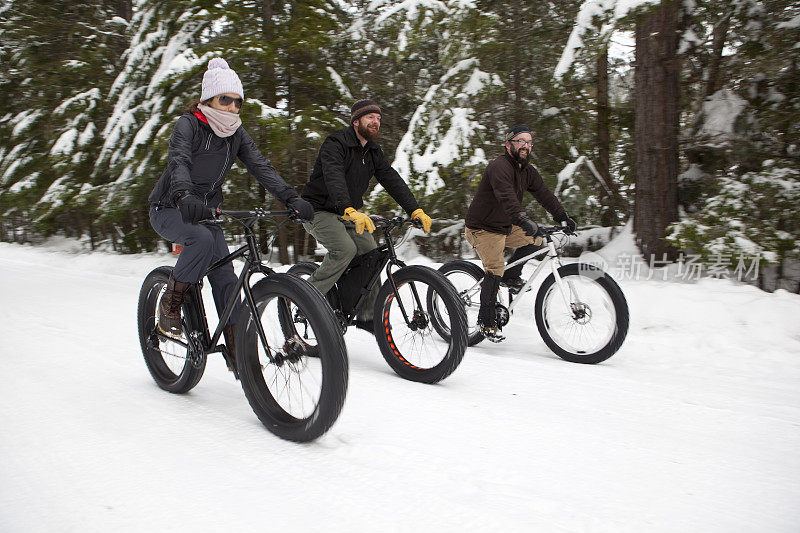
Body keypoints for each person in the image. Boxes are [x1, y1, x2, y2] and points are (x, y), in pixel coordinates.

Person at [147, 57, 314, 373]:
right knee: (199, 239)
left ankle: (241, 357)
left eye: (238, 102)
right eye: (227, 100)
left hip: (207, 212)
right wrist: (183, 195)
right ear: (209, 98)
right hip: (170, 207)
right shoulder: (189, 124)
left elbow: (260, 167)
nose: (233, 108)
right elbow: (178, 162)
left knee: (226, 279)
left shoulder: (236, 134)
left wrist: (292, 198)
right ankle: (170, 306)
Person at [300, 99, 432, 333]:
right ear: (356, 121)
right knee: (345, 249)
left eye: (379, 119)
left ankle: (368, 316)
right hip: (318, 209)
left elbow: (391, 180)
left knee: (371, 254)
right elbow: (334, 177)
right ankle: (305, 300)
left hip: (348, 213)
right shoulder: (336, 143)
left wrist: (414, 209)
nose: (376, 122)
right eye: (370, 117)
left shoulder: (372, 152)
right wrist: (348, 208)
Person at [464, 125, 576, 342]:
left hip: (505, 225)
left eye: (529, 142)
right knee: (495, 268)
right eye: (520, 141)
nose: (526, 146)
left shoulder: (528, 172)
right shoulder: (499, 167)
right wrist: (523, 220)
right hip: (483, 228)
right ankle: (486, 322)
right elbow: (507, 197)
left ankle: (511, 276)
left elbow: (544, 194)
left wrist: (562, 216)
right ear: (508, 145)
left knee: (540, 241)